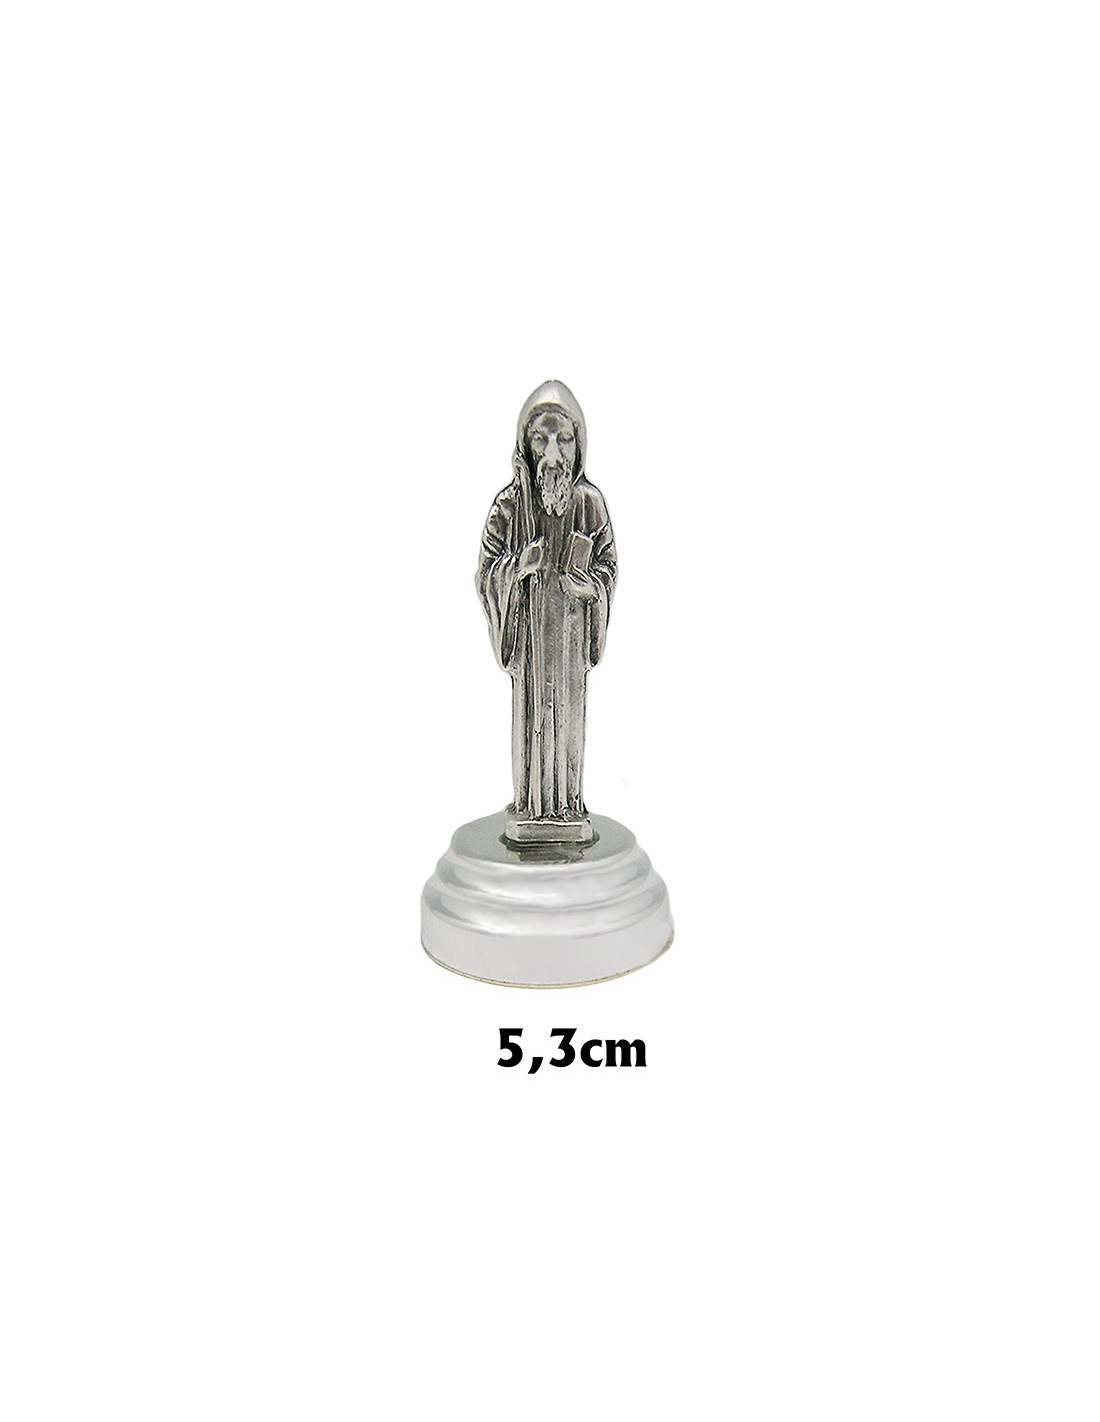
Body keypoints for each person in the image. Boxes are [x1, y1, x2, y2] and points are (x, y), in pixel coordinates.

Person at [477, 380, 617, 843]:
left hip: (570, 642)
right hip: (533, 648)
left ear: (579, 446)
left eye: (564, 438)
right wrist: (518, 567)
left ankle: (567, 806)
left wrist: (591, 586)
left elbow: (608, 565)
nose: (553, 453)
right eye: (541, 438)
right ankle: (532, 806)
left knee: (569, 720)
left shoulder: (590, 505)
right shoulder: (510, 506)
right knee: (533, 719)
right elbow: (486, 570)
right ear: (526, 445)